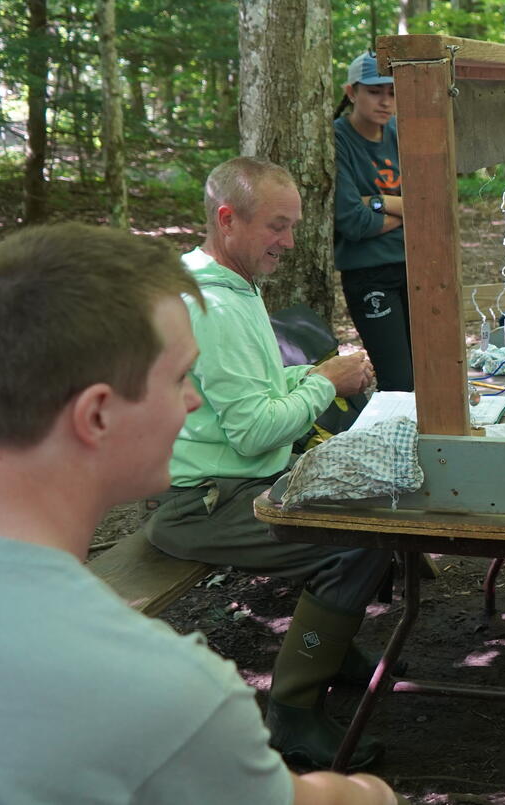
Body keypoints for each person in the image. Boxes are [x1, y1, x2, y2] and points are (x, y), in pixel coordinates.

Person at [0, 223, 397, 805]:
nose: (192, 400)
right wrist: (372, 793)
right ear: (97, 416)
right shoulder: (164, 689)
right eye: (180, 377)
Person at [145, 157, 395, 770]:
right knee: (357, 541)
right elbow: (255, 432)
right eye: (276, 228)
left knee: (383, 505)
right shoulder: (213, 304)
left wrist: (307, 374)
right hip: (203, 502)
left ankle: (327, 652)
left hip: (236, 483)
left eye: (293, 227)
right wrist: (324, 382)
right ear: (227, 220)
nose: (288, 242)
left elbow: (253, 387)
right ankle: (293, 710)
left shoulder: (229, 285)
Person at [334, 50, 413, 392]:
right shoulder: (338, 140)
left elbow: (433, 202)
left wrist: (378, 203)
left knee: (431, 369)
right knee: (400, 380)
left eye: (393, 92)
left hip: (415, 266)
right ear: (352, 92)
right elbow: (353, 222)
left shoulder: (402, 133)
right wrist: (410, 211)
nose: (385, 101)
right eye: (375, 91)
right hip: (369, 273)